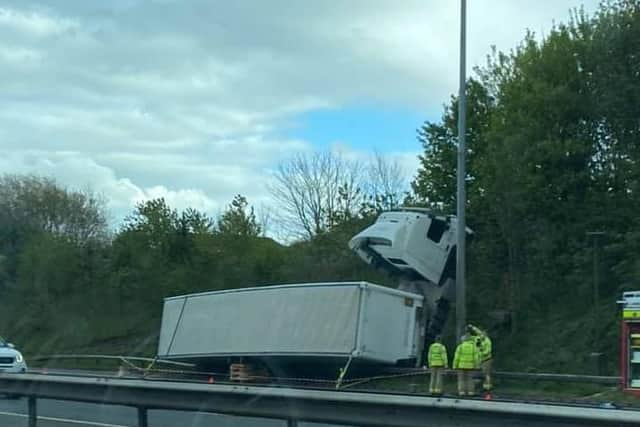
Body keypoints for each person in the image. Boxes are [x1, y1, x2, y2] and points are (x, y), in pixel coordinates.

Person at [468, 324, 493, 392]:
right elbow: (477, 331)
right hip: (479, 360)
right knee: (479, 374)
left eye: (484, 334)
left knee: (486, 374)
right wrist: (472, 327)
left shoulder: (487, 341)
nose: (482, 335)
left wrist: (481, 352)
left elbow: (488, 350)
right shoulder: (478, 338)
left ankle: (487, 387)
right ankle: (479, 387)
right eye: (482, 333)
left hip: (486, 359)